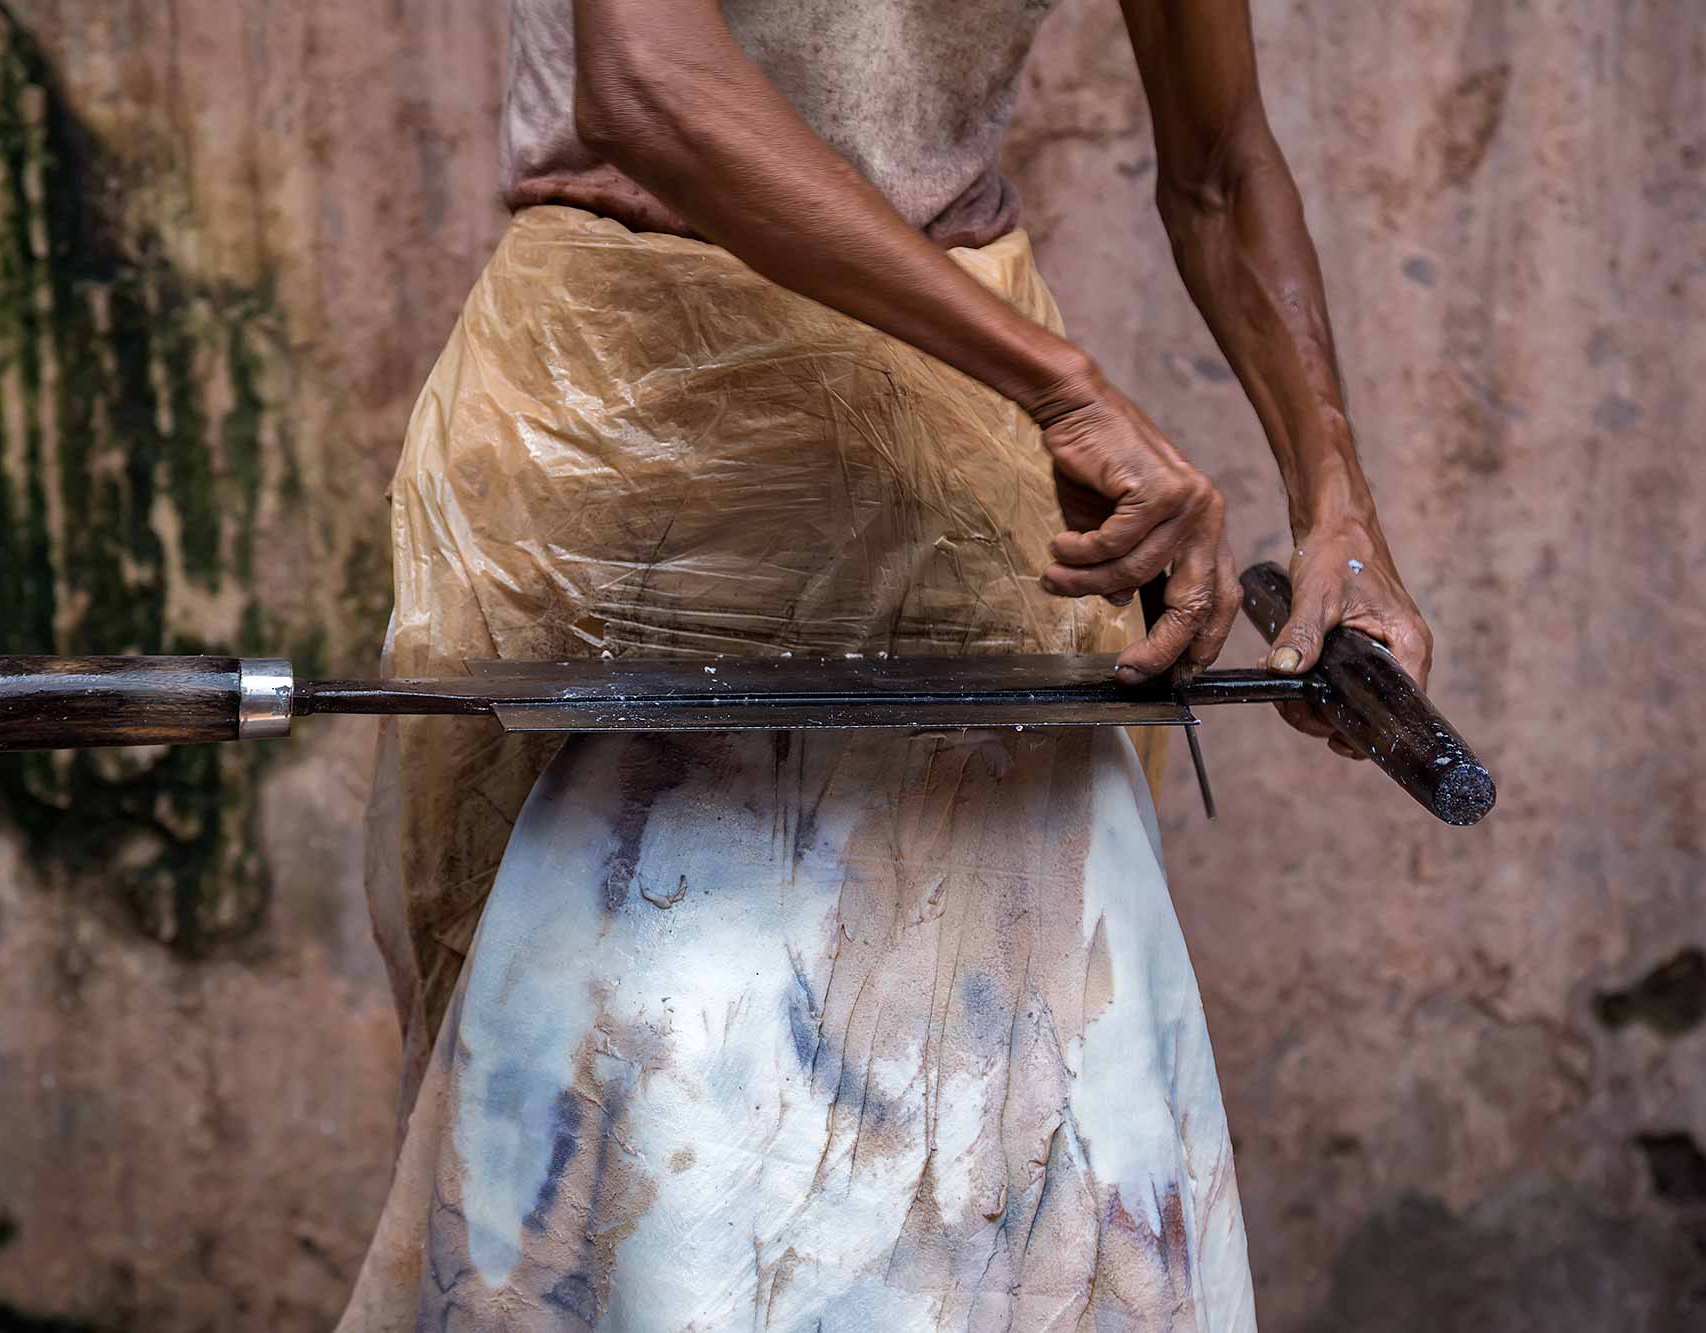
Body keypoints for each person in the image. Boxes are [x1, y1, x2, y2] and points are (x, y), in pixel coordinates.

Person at [342, 2, 1433, 1328]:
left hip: (966, 437)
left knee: (1026, 1117)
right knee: (655, 1116)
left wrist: (1340, 507)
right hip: (633, 419)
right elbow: (647, 80)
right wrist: (1062, 387)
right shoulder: (1037, 382)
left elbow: (1218, 162)